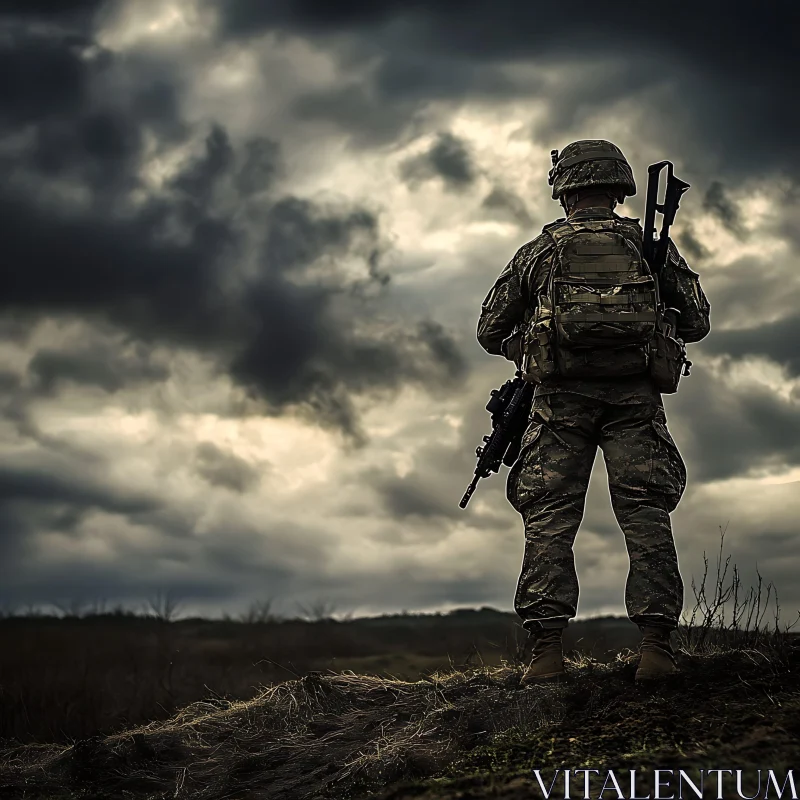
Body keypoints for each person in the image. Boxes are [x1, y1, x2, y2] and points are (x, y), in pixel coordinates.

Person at [476, 139, 711, 683]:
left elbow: (489, 330)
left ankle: (546, 653)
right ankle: (656, 649)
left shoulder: (540, 249)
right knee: (646, 515)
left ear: (566, 191)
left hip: (559, 405)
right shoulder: (647, 245)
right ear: (618, 186)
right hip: (635, 400)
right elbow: (697, 322)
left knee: (551, 520)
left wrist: (528, 347)